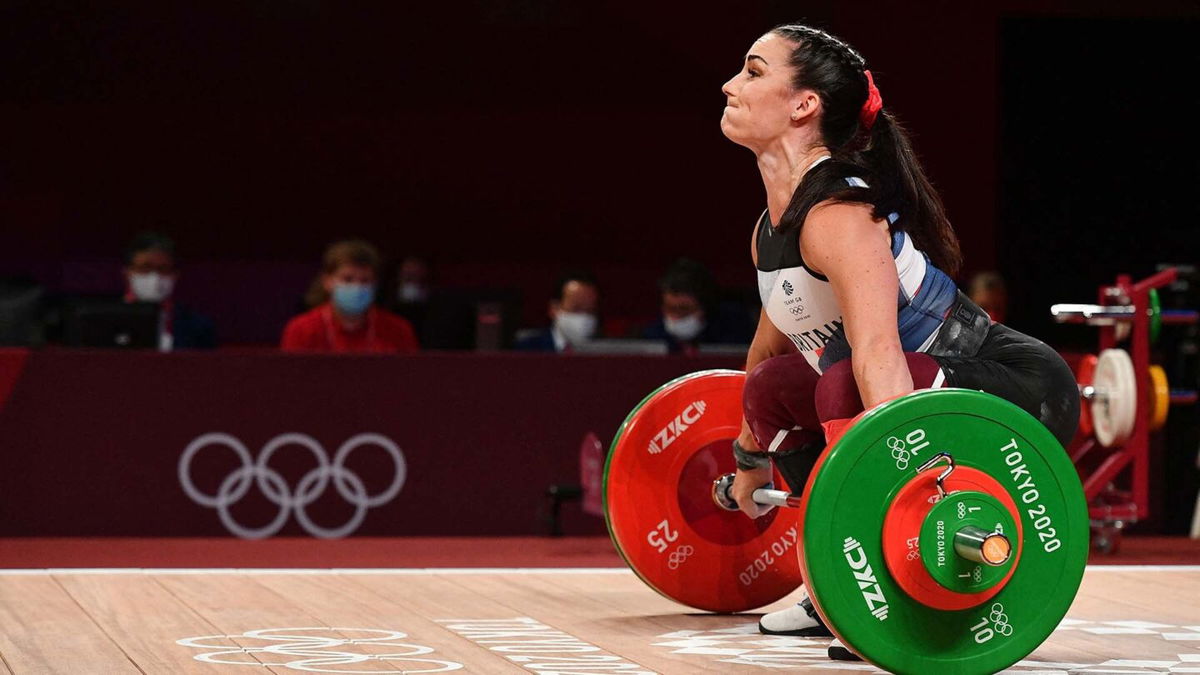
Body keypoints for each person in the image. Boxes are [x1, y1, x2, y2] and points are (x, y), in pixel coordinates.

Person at [717, 25, 1079, 660]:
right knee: (775, 389)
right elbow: (768, 358)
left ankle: (878, 580)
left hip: (1014, 389)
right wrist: (749, 464)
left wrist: (914, 509)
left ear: (804, 105)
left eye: (752, 71)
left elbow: (880, 357)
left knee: (842, 380)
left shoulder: (839, 216)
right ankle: (829, 580)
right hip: (905, 386)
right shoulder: (771, 229)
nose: (730, 84)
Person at [281, 240, 418, 354]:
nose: (357, 287)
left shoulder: (398, 330)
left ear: (375, 285)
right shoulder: (301, 330)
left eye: (365, 280)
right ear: (327, 281)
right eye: (348, 279)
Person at [123, 231, 217, 350]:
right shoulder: (105, 318)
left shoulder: (198, 327)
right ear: (128, 273)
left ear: (175, 275)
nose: (154, 277)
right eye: (145, 268)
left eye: (163, 269)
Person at [643, 258, 754, 354]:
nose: (676, 316)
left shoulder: (733, 328)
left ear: (704, 306)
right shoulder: (652, 335)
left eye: (684, 309)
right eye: (671, 308)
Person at [515, 270, 599, 352]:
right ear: (554, 309)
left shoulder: (603, 352)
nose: (584, 317)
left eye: (590, 311)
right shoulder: (527, 349)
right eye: (576, 309)